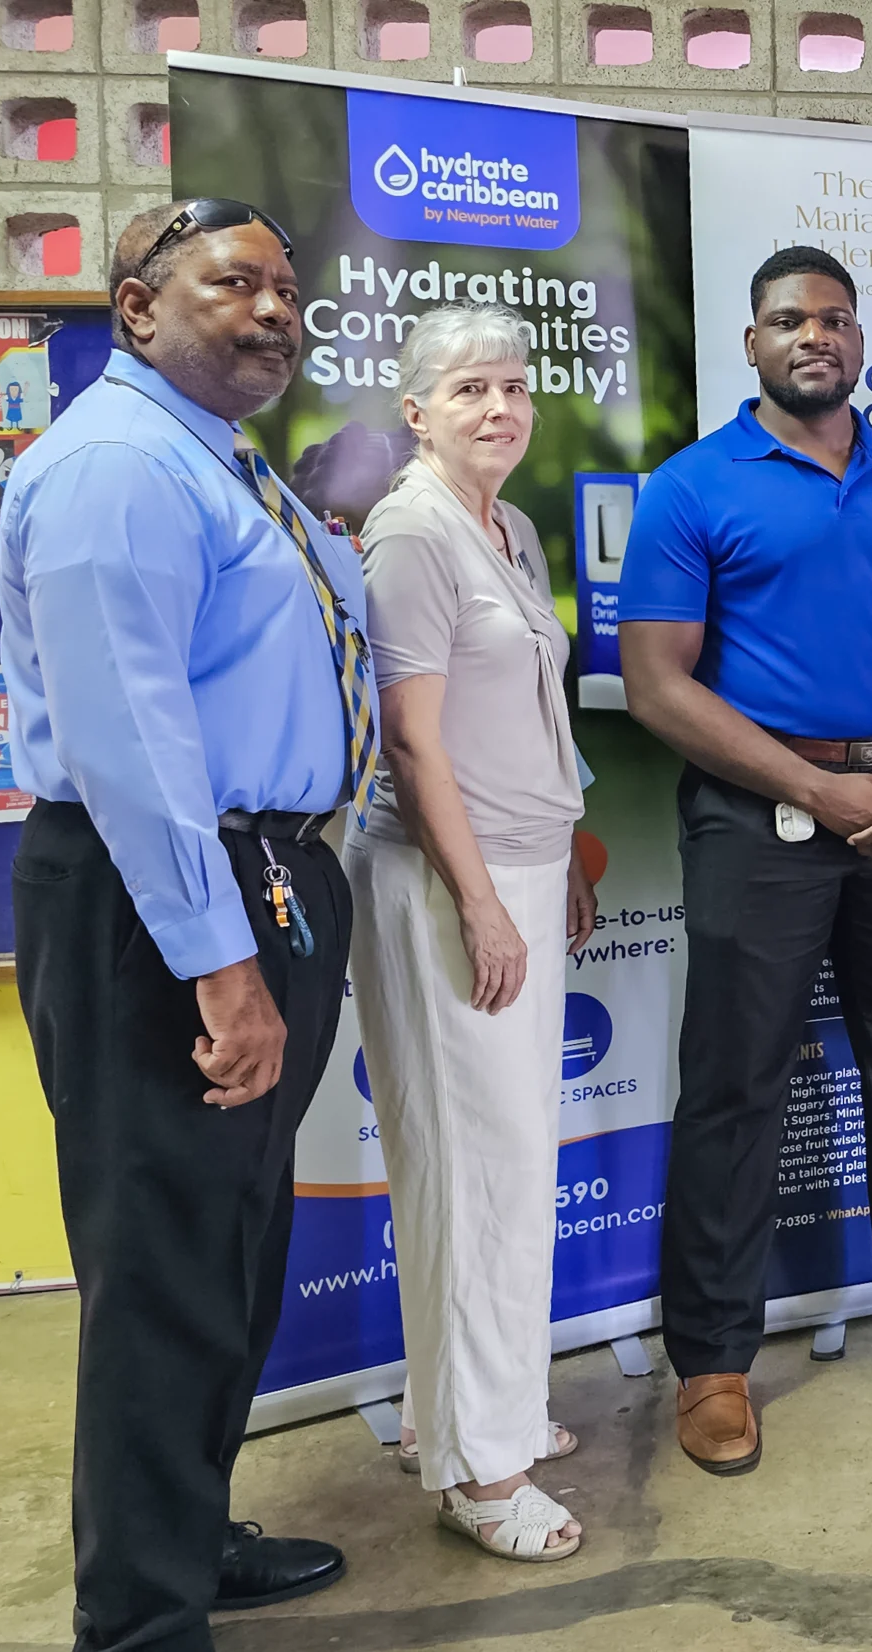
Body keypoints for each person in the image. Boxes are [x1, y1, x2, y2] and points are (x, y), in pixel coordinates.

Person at [0, 198, 369, 1650]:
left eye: (286, 287)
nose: (272, 309)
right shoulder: (114, 470)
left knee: (227, 1248)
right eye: (233, 283)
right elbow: (132, 745)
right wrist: (223, 969)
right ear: (135, 307)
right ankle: (141, 1620)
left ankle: (189, 1535)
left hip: (258, 878)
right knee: (162, 1270)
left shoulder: (220, 467)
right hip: (158, 902)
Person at [619, 246, 872, 1477]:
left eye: (838, 319)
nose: (816, 335)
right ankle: (710, 1358)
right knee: (738, 1084)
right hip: (763, 820)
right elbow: (655, 681)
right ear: (750, 344)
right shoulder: (694, 486)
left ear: (863, 343)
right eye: (790, 319)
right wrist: (813, 785)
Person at [345, 304, 597, 1560]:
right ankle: (482, 1473)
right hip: (451, 882)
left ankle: (466, 1412)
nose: (500, 407)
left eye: (513, 384)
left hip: (526, 862)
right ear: (416, 410)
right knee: (479, 1168)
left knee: (502, 1160)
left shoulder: (511, 525)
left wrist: (568, 844)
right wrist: (484, 899)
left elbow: (532, 704)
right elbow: (411, 737)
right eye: (469, 390)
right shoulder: (410, 531)